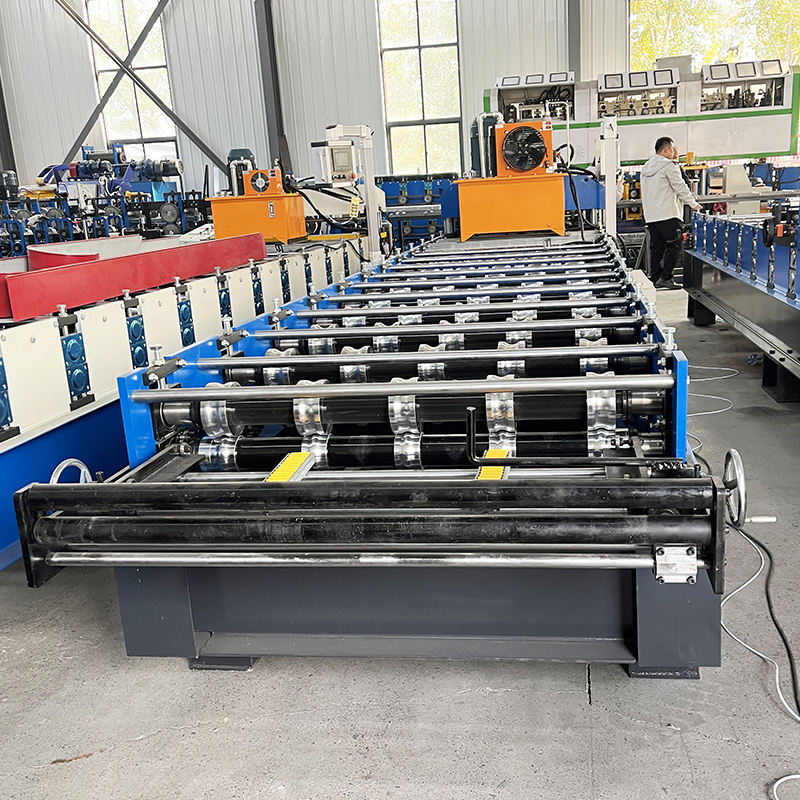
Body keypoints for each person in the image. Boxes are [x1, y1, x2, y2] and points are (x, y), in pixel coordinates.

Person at [640, 137, 702, 290]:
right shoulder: (669, 165)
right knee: (675, 245)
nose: (674, 153)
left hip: (651, 216)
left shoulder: (646, 167)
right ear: (666, 149)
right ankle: (666, 277)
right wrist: (693, 204)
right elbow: (680, 186)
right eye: (673, 149)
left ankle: (655, 278)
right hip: (668, 214)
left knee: (657, 248)